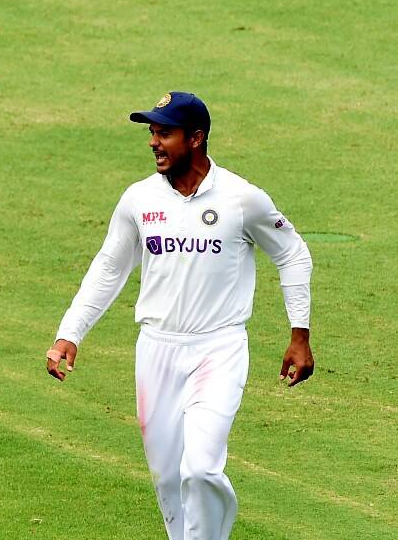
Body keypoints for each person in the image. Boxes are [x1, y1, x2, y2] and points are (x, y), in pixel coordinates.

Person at [45, 92, 314, 540]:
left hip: (219, 348)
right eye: (152, 132)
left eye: (164, 133)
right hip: (157, 351)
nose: (154, 142)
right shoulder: (138, 199)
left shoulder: (241, 198)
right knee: (170, 479)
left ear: (195, 138)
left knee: (202, 469)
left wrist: (299, 334)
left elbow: (293, 254)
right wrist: (69, 333)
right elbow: (109, 268)